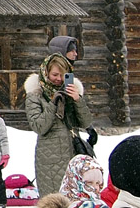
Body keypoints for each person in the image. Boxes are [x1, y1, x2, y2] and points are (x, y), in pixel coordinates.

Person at [25, 52, 92, 195]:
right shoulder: (35, 96)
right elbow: (39, 126)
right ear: (46, 72)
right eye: (55, 75)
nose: (59, 79)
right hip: (50, 159)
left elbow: (85, 122)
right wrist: (53, 103)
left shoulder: (71, 93)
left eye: (63, 75)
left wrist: (77, 101)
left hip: (73, 155)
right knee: (55, 207)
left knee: (76, 204)